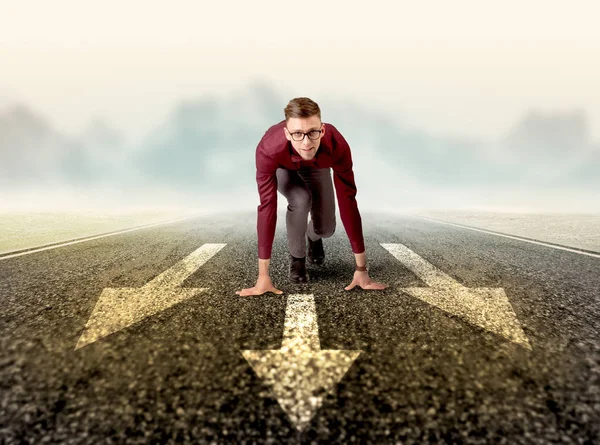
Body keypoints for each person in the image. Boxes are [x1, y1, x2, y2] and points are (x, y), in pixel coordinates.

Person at [235, 97, 388, 296]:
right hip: (285, 168)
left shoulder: (337, 146)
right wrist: (263, 276)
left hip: (319, 166)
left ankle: (312, 236)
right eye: (297, 133)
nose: (306, 142)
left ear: (322, 130)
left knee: (326, 228)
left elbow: (348, 200)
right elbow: (267, 207)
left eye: (313, 133)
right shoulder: (268, 149)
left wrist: (361, 270)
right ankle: (297, 259)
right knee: (301, 199)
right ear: (287, 134)